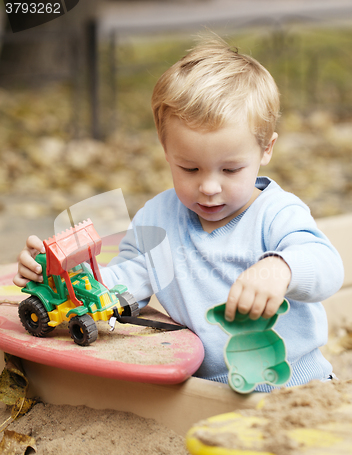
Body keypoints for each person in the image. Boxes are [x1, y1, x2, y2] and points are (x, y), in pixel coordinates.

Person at [14, 37, 344, 391]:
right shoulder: (157, 219)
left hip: (299, 384)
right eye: (189, 169)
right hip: (207, 391)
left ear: (266, 149)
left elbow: (327, 266)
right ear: (166, 148)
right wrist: (59, 275)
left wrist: (282, 267)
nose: (209, 187)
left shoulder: (277, 213)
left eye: (230, 170)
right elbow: (125, 286)